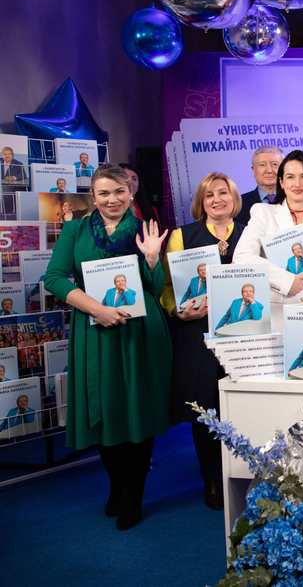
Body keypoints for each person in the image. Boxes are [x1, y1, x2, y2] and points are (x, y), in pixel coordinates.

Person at [43, 166, 171, 530]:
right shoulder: (75, 231)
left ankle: (134, 495)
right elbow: (53, 278)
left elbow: (155, 286)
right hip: (96, 330)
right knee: (105, 409)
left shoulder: (145, 229)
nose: (112, 199)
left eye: (118, 192)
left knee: (138, 410)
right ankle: (117, 484)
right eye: (104, 193)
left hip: (140, 332)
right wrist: (96, 308)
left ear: (130, 193)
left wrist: (151, 259)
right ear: (93, 196)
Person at [159, 171, 245, 511]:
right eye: (209, 195)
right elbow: (168, 287)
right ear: (201, 202)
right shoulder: (182, 236)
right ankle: (211, 479)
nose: (217, 200)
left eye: (223, 193)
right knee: (204, 407)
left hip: (242, 336)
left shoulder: (250, 233)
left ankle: (243, 474)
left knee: (240, 405)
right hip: (197, 334)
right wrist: (178, 311)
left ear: (234, 198)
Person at [233, 150, 303, 330]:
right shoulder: (263, 213)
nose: (297, 183)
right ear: (282, 183)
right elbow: (242, 257)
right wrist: (285, 280)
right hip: (278, 318)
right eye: (290, 177)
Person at [237, 147, 283, 225]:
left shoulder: (294, 199)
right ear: (253, 170)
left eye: (275, 164)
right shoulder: (239, 204)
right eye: (262, 165)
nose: (269, 170)